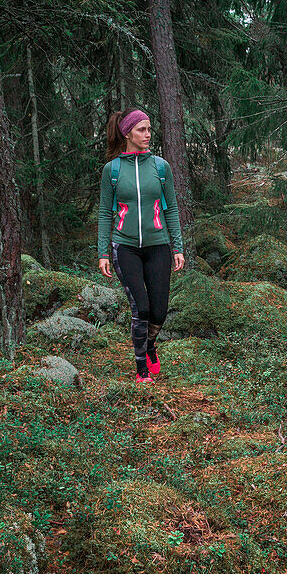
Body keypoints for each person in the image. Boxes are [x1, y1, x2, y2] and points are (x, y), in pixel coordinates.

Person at [97, 109, 186, 383]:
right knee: (142, 309)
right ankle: (141, 370)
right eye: (142, 130)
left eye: (149, 130)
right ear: (127, 133)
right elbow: (104, 213)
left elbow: (170, 210)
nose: (148, 135)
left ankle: (149, 345)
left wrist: (178, 247)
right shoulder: (112, 171)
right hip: (125, 247)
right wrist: (102, 253)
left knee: (159, 311)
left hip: (158, 245)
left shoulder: (161, 167)